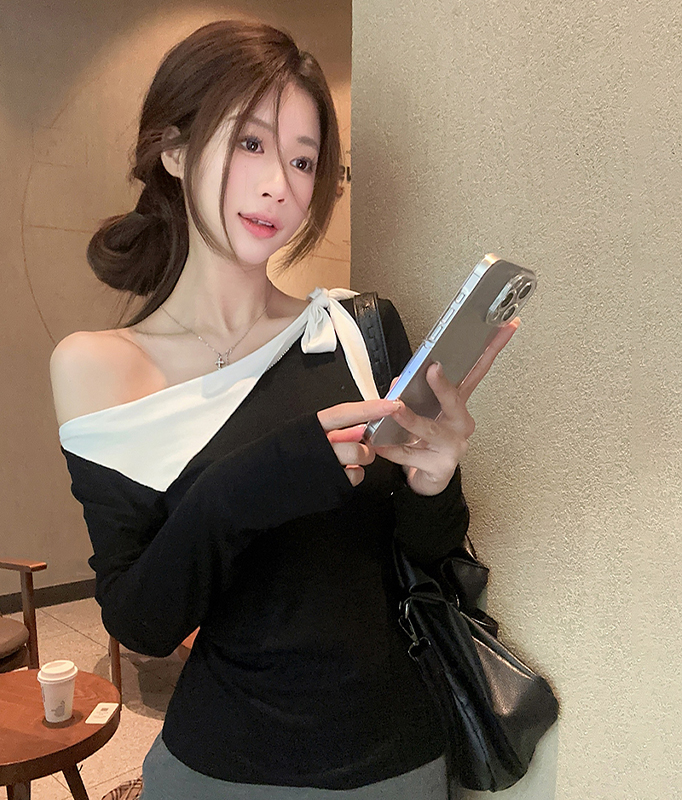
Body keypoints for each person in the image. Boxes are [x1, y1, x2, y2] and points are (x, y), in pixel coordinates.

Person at [50, 20, 517, 799]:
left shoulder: (358, 331)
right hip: (222, 768)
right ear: (173, 151)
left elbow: (426, 557)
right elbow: (141, 624)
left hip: (397, 759)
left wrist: (436, 482)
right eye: (250, 144)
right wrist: (250, 484)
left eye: (304, 160)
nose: (281, 185)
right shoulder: (99, 366)